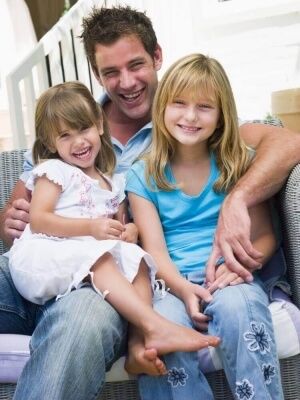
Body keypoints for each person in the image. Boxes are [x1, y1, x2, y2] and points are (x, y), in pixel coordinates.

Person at [0, 5, 299, 399]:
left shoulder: (200, 131)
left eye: (136, 64)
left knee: (92, 315)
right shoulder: (79, 131)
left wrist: (237, 200)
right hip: (44, 271)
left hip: (104, 285)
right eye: (110, 72)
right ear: (97, 75)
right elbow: (25, 210)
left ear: (157, 56)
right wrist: (10, 216)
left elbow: (285, 141)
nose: (125, 82)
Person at [9, 81, 219, 365]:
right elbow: (40, 219)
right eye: (65, 136)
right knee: (102, 258)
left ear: (98, 124)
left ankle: (139, 341)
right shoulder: (54, 171)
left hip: (90, 259)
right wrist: (91, 228)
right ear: (50, 143)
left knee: (140, 262)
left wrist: (130, 231)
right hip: (46, 255)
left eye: (83, 129)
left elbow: (126, 222)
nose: (79, 142)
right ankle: (154, 324)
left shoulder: (114, 182)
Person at [126, 53, 284, 399]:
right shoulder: (143, 175)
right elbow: (154, 252)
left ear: (222, 115)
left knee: (241, 308)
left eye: (204, 107)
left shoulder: (238, 163)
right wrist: (184, 289)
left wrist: (236, 266)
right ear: (162, 107)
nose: (190, 116)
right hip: (169, 284)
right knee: (162, 338)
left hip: (230, 275)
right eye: (179, 103)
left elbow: (264, 236)